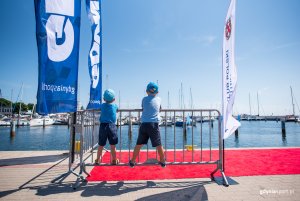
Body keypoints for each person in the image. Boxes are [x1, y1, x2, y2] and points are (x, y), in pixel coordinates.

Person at [129, 82, 166, 168]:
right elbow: (160, 109)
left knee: (139, 144)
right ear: (157, 92)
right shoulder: (159, 99)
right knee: (158, 144)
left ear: (146, 91)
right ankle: (163, 161)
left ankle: (132, 161)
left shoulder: (144, 99)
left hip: (144, 124)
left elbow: (143, 108)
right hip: (154, 125)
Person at [95, 89, 119, 165]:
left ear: (104, 99)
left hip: (103, 126)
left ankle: (98, 160)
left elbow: (100, 109)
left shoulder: (102, 106)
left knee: (101, 144)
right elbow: (117, 110)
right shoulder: (115, 106)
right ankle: (114, 160)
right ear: (114, 99)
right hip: (112, 126)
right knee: (113, 145)